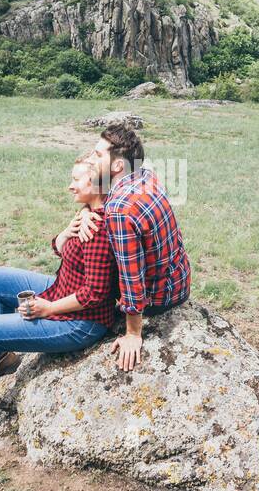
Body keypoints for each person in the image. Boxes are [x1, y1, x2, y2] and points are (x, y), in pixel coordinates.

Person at [0, 156, 118, 435]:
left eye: (76, 180)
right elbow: (73, 255)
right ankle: (1, 358)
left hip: (81, 321)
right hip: (64, 287)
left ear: (97, 183)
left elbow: (95, 294)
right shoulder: (89, 210)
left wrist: (48, 309)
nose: (69, 186)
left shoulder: (98, 228)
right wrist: (62, 237)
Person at [75, 121, 191, 372]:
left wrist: (133, 333)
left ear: (117, 165)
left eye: (97, 155)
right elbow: (106, 192)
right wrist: (87, 210)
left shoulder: (119, 210)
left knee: (91, 265)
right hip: (178, 280)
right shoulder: (144, 173)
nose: (91, 160)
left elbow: (131, 275)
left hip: (158, 297)